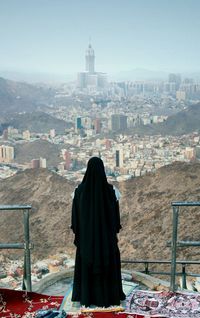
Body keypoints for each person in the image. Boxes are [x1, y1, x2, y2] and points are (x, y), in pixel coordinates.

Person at [71, 157, 125, 308]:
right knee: (107, 266)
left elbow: (75, 220)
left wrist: (83, 235)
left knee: (87, 267)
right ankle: (109, 297)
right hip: (106, 243)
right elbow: (116, 219)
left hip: (86, 243)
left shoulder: (78, 192)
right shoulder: (112, 191)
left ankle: (87, 298)